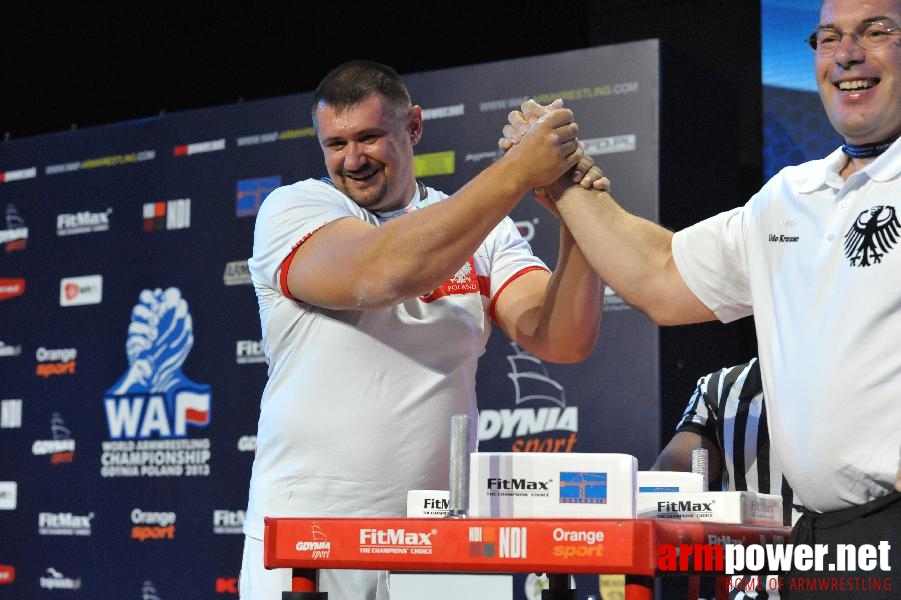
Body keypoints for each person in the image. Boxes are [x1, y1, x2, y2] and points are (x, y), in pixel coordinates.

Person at [501, 0, 901, 596]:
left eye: (876, 32)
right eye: (828, 38)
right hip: (825, 538)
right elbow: (661, 275)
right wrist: (562, 174)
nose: (847, 53)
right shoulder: (789, 197)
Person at [240, 60, 608, 600]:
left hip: (439, 536)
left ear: (413, 127)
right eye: (335, 143)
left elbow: (561, 337)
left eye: (369, 137)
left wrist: (578, 213)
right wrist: (518, 172)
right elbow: (382, 274)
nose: (353, 158)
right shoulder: (294, 209)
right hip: (308, 532)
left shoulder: (485, 230)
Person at [653, 358, 798, 599]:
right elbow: (670, 472)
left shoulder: (855, 379)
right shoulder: (719, 388)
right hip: (751, 587)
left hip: (842, 571)